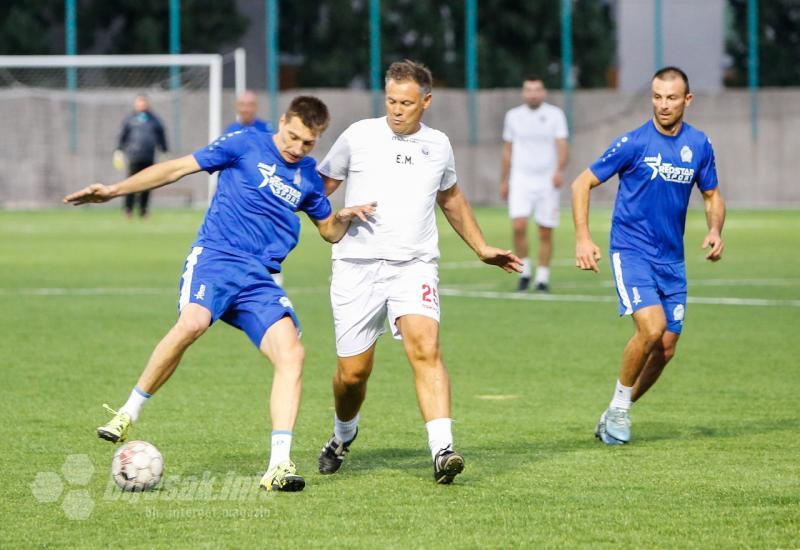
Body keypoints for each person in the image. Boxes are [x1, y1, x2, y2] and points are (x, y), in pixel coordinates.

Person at [64, 96, 377, 492]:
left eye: (307, 144)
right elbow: (176, 168)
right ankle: (126, 413)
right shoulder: (245, 142)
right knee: (193, 321)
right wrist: (113, 190)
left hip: (258, 279)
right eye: (292, 136)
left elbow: (328, 231)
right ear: (281, 122)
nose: (296, 148)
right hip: (216, 257)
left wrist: (342, 218)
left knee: (293, 354)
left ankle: (278, 466)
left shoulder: (310, 178)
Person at [316, 60, 522, 484]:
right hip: (357, 266)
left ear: (426, 101)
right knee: (353, 375)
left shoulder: (438, 146)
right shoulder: (358, 136)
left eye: (406, 102)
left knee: (425, 348)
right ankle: (343, 434)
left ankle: (442, 450)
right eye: (391, 100)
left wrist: (482, 247)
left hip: (414, 265)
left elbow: (451, 198)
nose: (396, 109)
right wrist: (335, 217)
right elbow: (319, 190)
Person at [570, 67, 725, 445]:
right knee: (651, 328)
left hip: (672, 259)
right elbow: (582, 183)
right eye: (657, 96)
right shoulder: (633, 143)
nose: (663, 105)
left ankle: (616, 409)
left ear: (687, 100)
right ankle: (620, 409)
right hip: (631, 250)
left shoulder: (699, 145)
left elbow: (711, 195)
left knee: (666, 348)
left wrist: (715, 230)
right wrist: (583, 237)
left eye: (671, 97)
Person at [499, 75, 569, 292]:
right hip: (520, 179)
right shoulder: (513, 116)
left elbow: (562, 146)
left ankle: (542, 278)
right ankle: (525, 271)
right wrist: (504, 179)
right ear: (523, 92)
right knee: (519, 225)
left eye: (536, 89)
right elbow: (508, 150)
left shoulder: (555, 115)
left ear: (543, 92)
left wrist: (559, 170)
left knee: (545, 231)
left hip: (547, 180)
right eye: (528, 90)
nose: (532, 93)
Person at [115, 95, 168, 218]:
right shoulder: (130, 119)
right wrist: (119, 151)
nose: (141, 105)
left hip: (149, 156)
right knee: (131, 183)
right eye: (139, 102)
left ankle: (143, 210)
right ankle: (128, 209)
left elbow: (161, 136)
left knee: (148, 183)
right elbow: (122, 136)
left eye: (144, 102)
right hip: (134, 156)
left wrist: (165, 151)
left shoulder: (154, 120)